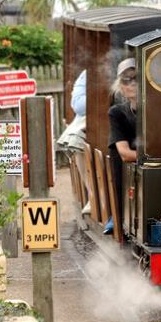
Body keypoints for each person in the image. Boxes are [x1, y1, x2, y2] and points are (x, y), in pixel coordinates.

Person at [107, 58, 138, 234]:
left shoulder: (160, 110)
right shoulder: (117, 113)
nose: (132, 84)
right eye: (127, 80)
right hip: (126, 169)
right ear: (121, 86)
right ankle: (119, 217)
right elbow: (125, 154)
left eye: (136, 78)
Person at [57, 69, 91, 215]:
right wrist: (100, 96)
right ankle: (93, 195)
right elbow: (78, 105)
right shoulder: (87, 73)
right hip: (94, 117)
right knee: (76, 139)